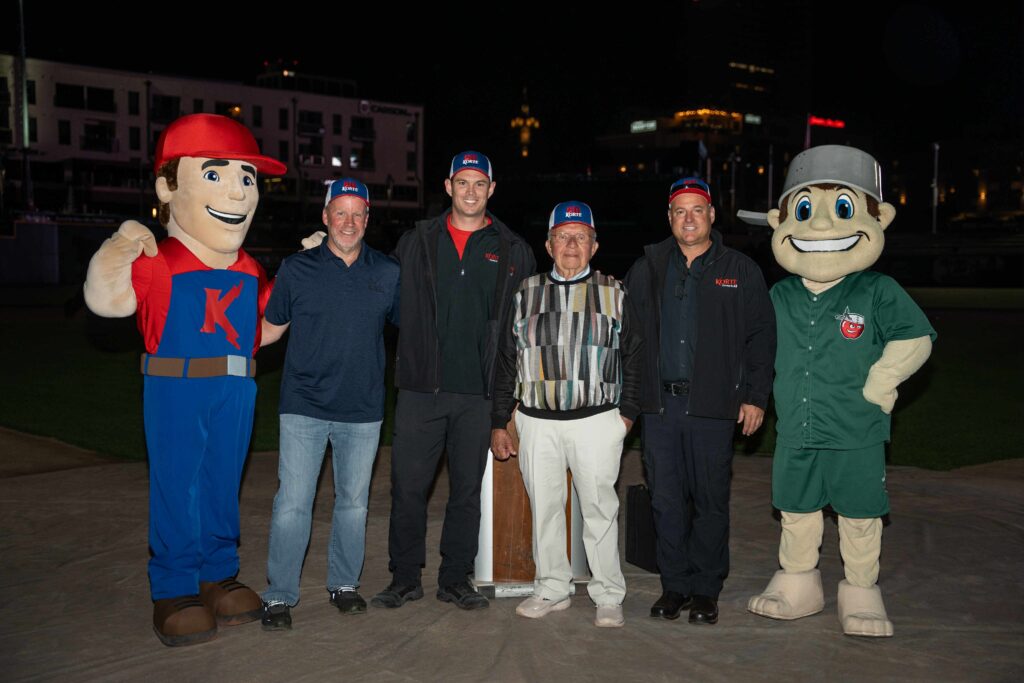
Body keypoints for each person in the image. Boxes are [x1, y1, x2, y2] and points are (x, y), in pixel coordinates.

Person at [82, 113, 287, 646]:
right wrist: (117, 251)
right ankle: (173, 586)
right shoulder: (162, 260)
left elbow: (262, 331)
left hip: (237, 389)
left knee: (223, 483)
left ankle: (218, 573)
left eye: (247, 178)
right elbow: (107, 302)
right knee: (178, 483)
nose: (238, 192)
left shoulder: (248, 269)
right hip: (177, 387)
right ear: (169, 186)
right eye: (216, 175)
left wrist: (303, 281)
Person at [746, 145, 935, 637]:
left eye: (843, 210)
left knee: (858, 515)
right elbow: (753, 347)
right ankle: (798, 582)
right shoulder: (779, 295)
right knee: (796, 510)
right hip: (797, 430)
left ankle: (860, 590)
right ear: (780, 220)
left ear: (879, 218)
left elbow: (915, 338)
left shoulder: (877, 290)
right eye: (805, 211)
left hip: (856, 429)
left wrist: (880, 381)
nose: (823, 227)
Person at [371, 151, 536, 610]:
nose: (470, 191)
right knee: (407, 488)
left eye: (479, 183)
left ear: (491, 189)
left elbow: (522, 328)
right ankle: (404, 578)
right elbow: (376, 283)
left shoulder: (512, 249)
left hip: (477, 395)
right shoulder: (418, 240)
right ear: (447, 187)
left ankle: (455, 578)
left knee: (466, 492)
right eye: (462, 183)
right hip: (421, 389)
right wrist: (322, 253)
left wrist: (508, 403)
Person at [623, 178, 776, 625]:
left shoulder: (740, 269)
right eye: (679, 211)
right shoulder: (647, 268)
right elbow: (627, 336)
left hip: (713, 406)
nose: (688, 218)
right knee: (666, 500)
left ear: (711, 216)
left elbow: (761, 337)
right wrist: (628, 401)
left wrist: (755, 397)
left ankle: (706, 589)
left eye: (697, 210)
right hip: (661, 408)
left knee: (709, 500)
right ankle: (675, 586)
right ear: (669, 219)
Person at [491, 201, 642, 628]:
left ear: (594, 245)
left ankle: (608, 593)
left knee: (599, 510)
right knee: (546, 509)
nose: (571, 244)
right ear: (548, 244)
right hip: (537, 422)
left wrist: (626, 416)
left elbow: (637, 358)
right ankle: (552, 587)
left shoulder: (616, 292)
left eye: (580, 236)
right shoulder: (525, 292)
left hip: (597, 421)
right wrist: (500, 419)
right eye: (563, 236)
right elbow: (506, 359)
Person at [259, 179, 400, 631]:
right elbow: (269, 331)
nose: (349, 222)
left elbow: (413, 328)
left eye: (358, 214)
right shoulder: (296, 270)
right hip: (304, 405)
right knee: (292, 505)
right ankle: (279, 594)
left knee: (354, 504)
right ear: (325, 217)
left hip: (363, 408)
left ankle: (344, 584)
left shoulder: (387, 272)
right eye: (340, 212)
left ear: (367, 220)